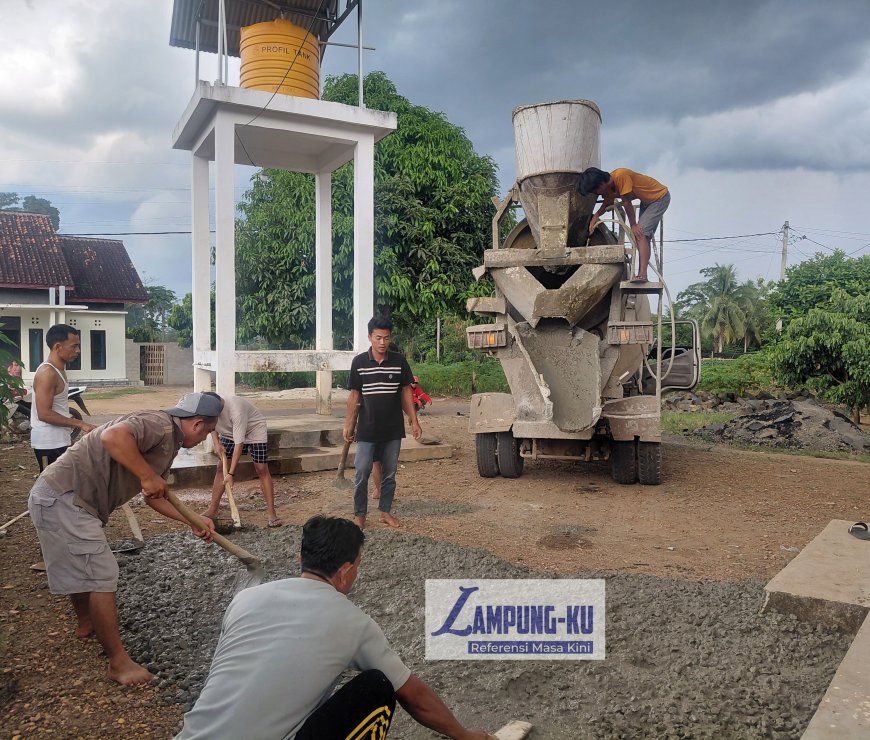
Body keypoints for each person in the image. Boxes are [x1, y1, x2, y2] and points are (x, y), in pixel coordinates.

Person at [176, 516, 496, 740]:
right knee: (378, 686)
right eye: (358, 565)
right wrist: (465, 736)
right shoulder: (353, 622)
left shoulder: (245, 599)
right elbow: (414, 695)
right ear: (344, 572)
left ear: (301, 557)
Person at [27, 392, 221, 686]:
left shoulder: (169, 442)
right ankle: (118, 662)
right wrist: (146, 475)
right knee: (102, 574)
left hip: (64, 498)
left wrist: (192, 521)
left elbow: (155, 495)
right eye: (209, 430)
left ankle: (87, 624)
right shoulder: (159, 424)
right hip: (64, 497)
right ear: (198, 424)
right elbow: (113, 436)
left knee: (81, 566)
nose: (207, 436)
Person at [344, 317, 421, 529]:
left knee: (389, 473)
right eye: (378, 337)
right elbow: (354, 397)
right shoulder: (359, 363)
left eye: (386, 338)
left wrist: (414, 421)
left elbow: (406, 392)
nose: (382, 342)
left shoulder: (399, 361)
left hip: (393, 429)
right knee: (361, 471)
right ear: (370, 337)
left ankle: (385, 512)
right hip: (367, 429)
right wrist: (348, 424)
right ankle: (360, 515)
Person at [201, 392, 282, 528]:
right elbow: (211, 425)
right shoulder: (209, 409)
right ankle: (213, 509)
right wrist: (217, 443)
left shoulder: (236, 410)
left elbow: (239, 444)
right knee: (221, 467)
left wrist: (231, 474)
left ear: (218, 405)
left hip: (254, 429)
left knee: (261, 468)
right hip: (229, 433)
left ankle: (271, 512)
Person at [580, 167, 670, 283]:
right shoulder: (608, 188)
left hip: (659, 197)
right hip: (647, 201)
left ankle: (642, 275)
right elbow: (607, 203)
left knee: (640, 232)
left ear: (601, 184)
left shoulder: (621, 176)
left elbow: (627, 203)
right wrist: (596, 216)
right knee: (642, 236)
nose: (597, 194)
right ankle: (642, 273)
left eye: (595, 191)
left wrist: (633, 225)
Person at [29, 324, 96, 470]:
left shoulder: (58, 370)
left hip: (58, 440)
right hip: (48, 443)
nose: (78, 350)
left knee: (64, 487)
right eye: (74, 346)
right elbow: (44, 414)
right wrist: (80, 424)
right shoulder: (47, 373)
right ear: (58, 347)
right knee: (52, 489)